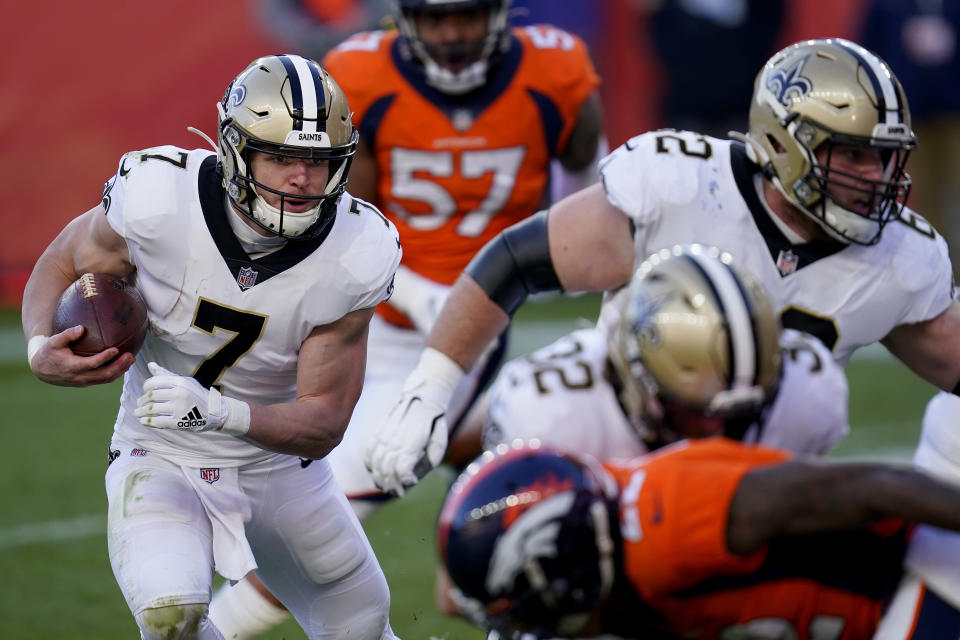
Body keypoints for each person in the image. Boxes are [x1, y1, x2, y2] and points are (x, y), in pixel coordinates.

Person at [366, 36, 960, 497]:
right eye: (852, 154)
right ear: (783, 142)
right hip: (620, 454)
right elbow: (517, 261)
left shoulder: (900, 259)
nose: (876, 179)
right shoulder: (681, 184)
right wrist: (430, 389)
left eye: (884, 159)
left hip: (756, 492)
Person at [208, 1, 604, 635]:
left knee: (323, 515)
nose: (452, 34)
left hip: (466, 334)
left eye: (468, 15)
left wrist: (570, 255)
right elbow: (345, 226)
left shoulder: (556, 69)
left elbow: (588, 175)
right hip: (363, 316)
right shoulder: (363, 77)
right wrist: (421, 298)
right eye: (436, 17)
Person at [21, 54, 401, 640]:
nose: (303, 179)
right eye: (281, 157)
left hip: (280, 469)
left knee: (363, 625)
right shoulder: (156, 197)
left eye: (318, 161)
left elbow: (325, 420)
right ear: (233, 147)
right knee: (171, 614)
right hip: (160, 449)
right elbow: (65, 259)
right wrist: (40, 345)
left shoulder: (356, 249)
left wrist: (221, 412)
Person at [437, 436, 960, 639]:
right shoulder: (604, 530)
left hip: (916, 586)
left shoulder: (670, 529)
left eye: (533, 609)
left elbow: (876, 488)